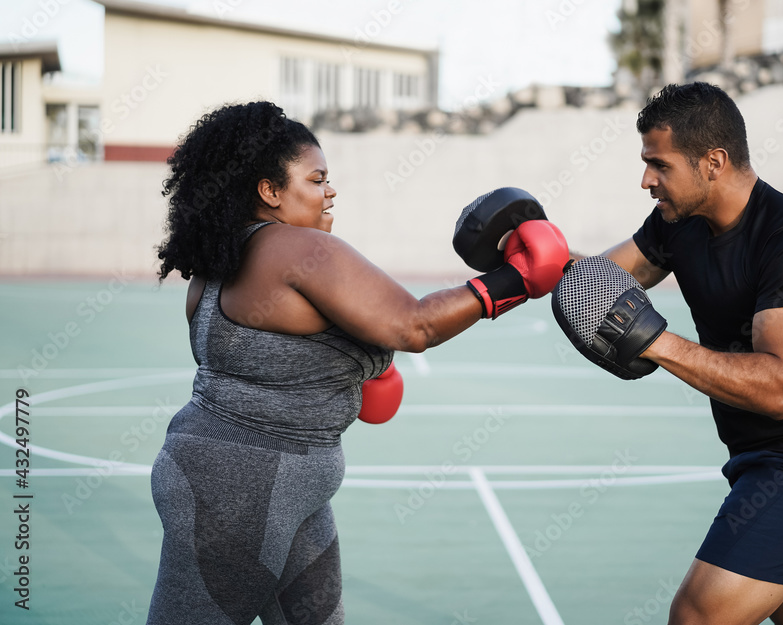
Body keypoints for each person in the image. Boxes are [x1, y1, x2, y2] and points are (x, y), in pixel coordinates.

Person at [148, 101, 565, 624]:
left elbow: (272, 359)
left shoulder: (217, 264)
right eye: (316, 178)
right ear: (270, 191)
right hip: (242, 490)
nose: (330, 191)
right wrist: (514, 279)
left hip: (269, 482)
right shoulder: (297, 249)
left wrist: (360, 368)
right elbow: (415, 324)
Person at [581, 83, 783, 624]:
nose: (646, 180)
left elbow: (779, 388)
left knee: (696, 617)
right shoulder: (679, 223)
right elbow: (598, 282)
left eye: (658, 165)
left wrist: (655, 342)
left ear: (713, 161)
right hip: (754, 458)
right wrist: (529, 257)